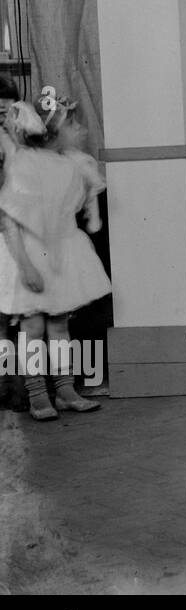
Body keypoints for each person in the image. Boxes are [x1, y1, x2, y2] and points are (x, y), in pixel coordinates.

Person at [0, 100, 111, 421]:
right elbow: (11, 222)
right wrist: (26, 266)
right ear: (51, 135)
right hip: (31, 256)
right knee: (33, 327)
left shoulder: (70, 166)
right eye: (72, 126)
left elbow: (79, 207)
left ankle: (65, 390)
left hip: (61, 254)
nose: (81, 132)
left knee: (60, 324)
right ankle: (37, 395)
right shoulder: (23, 167)